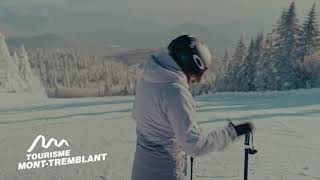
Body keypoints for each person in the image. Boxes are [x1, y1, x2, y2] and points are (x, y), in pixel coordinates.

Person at [131, 35, 254, 180]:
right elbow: (195, 145)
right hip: (165, 172)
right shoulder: (175, 92)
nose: (194, 82)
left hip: (141, 171)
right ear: (190, 64)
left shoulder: (149, 79)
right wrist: (231, 133)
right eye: (195, 77)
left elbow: (138, 116)